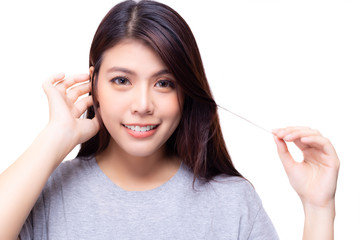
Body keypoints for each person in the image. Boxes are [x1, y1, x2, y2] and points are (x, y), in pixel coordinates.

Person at [0, 1, 339, 239]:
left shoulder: (231, 202)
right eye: (121, 80)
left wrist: (318, 206)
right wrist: (56, 135)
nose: (143, 104)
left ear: (186, 91)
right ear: (94, 84)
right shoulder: (40, 193)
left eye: (164, 83)